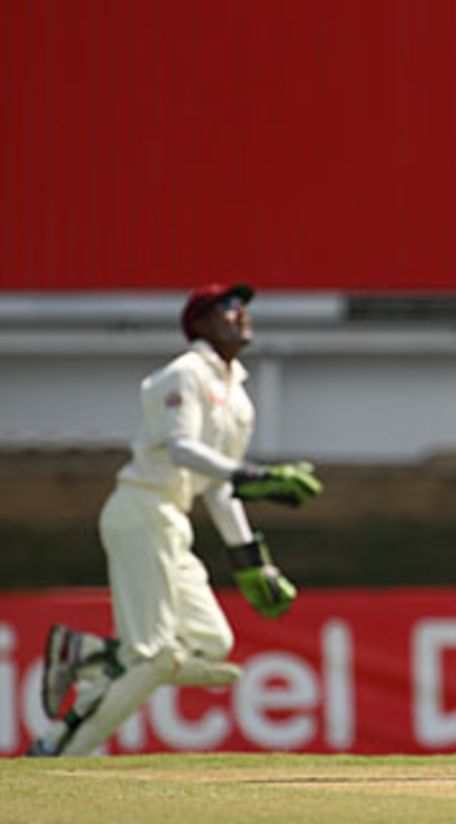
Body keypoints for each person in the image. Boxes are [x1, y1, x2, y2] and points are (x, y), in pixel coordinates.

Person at [27, 282, 324, 756]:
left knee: (212, 643)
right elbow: (182, 450)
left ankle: (88, 655)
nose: (241, 314)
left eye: (244, 307)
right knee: (155, 656)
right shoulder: (183, 375)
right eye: (228, 307)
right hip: (141, 510)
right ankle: (58, 749)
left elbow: (219, 488)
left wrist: (253, 562)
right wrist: (254, 475)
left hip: (173, 523)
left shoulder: (239, 399)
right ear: (201, 323)